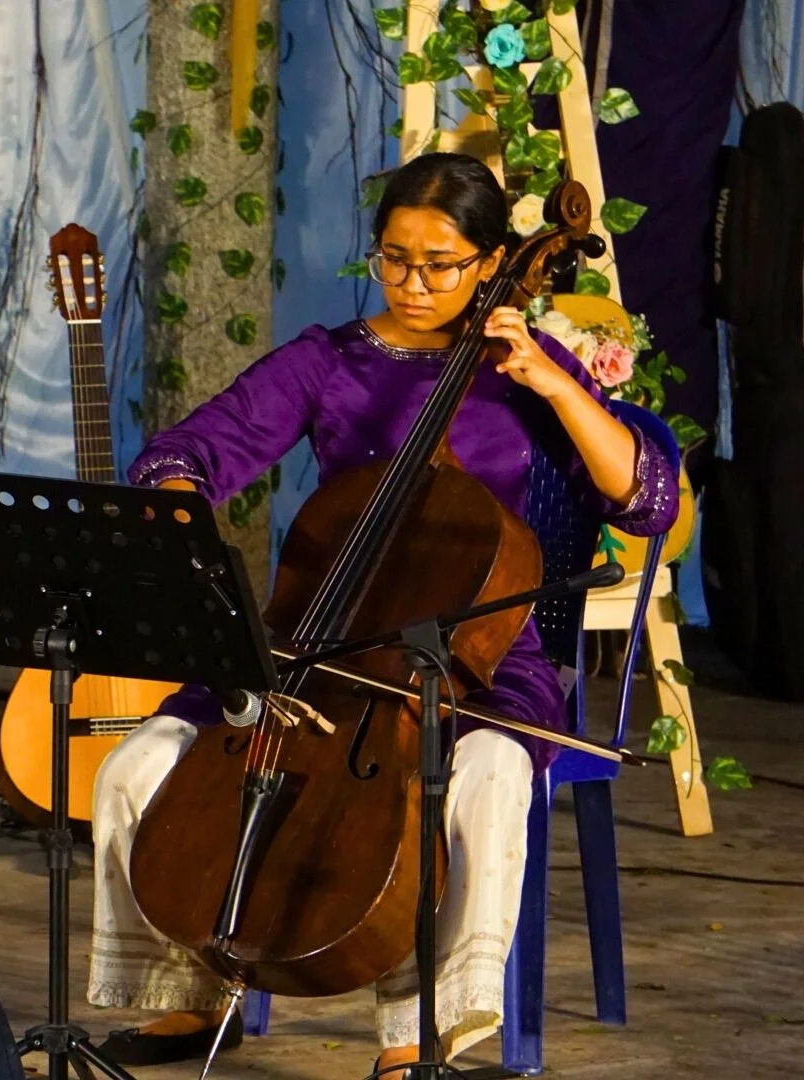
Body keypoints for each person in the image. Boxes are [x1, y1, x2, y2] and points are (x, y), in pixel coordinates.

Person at [86, 153, 678, 1071]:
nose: (412, 283)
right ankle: (187, 995)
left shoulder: (526, 368)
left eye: (440, 264)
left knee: (481, 775)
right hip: (317, 644)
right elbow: (185, 453)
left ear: (491, 263)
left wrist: (556, 384)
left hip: (474, 657)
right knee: (139, 762)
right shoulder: (328, 361)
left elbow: (644, 501)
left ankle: (422, 1034)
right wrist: (178, 506)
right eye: (394, 259)